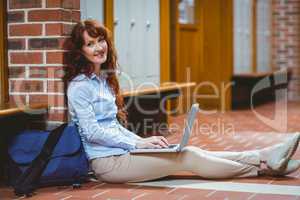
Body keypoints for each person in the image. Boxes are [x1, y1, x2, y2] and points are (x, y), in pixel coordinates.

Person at [65, 19, 300, 183]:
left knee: (190, 150)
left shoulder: (103, 80)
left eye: (100, 40)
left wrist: (144, 141)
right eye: (90, 44)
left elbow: (112, 126)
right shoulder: (80, 87)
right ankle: (266, 165)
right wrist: (138, 145)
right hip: (107, 163)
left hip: (122, 153)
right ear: (81, 51)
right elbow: (93, 132)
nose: (98, 47)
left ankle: (267, 155)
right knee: (188, 158)